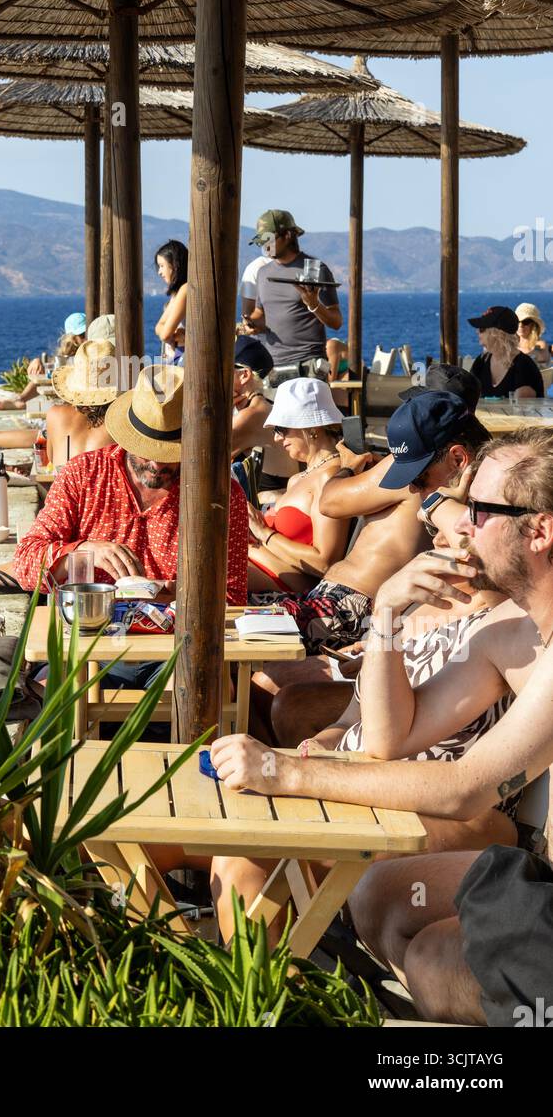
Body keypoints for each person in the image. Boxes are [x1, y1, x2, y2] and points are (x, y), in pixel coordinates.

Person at [208, 427, 553, 1023]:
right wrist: (388, 612)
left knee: (434, 955)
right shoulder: (513, 631)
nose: (461, 525)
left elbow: (466, 787)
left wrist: (286, 770)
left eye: (480, 511)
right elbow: (392, 736)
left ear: (539, 531)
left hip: (516, 860)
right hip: (527, 872)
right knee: (385, 904)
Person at [210, 507, 517, 946]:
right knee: (232, 839)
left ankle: (267, 998)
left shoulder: (503, 627)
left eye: (450, 535)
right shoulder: (419, 612)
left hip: (438, 806)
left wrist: (307, 770)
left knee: (245, 854)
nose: (434, 545)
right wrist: (319, 744)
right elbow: (351, 720)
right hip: (359, 781)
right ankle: (265, 992)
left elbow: (394, 747)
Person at [248, 393, 490, 736]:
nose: (415, 494)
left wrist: (439, 505)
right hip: (395, 640)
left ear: (458, 459)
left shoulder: (489, 512)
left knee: (281, 697)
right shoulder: (458, 510)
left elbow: (482, 593)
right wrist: (381, 640)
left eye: (418, 481)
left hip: (434, 670)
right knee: (263, 685)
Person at [12, 365, 250, 602]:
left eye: (171, 453)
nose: (157, 465)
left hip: (176, 637)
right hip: (93, 632)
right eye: (147, 451)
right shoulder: (83, 474)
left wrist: (167, 596)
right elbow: (25, 565)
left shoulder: (222, 495)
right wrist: (83, 552)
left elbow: (233, 595)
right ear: (129, 437)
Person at [0, 341, 120, 595]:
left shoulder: (57, 415)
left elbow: (50, 462)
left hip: (66, 523)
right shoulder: (123, 429)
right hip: (101, 528)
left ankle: (30, 568)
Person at [246, 378, 350, 597]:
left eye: (282, 429)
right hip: (263, 569)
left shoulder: (330, 477)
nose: (276, 438)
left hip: (288, 589)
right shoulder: (297, 479)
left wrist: (264, 532)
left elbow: (325, 563)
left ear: (312, 428)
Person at [242, 209, 342, 377]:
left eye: (268, 239)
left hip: (308, 367)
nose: (265, 246)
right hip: (272, 368)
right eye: (261, 242)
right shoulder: (263, 273)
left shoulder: (315, 270)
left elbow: (336, 321)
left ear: (288, 235)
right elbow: (261, 313)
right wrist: (251, 323)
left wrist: (314, 305)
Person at [469, 304, 544, 399]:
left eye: (482, 329)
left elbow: (521, 410)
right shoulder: (481, 361)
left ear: (497, 334)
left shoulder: (523, 366)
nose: (477, 332)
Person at [153, 241, 188, 363]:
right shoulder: (177, 293)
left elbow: (164, 334)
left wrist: (170, 335)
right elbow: (159, 326)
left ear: (174, 265)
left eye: (162, 266)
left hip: (183, 358)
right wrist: (176, 336)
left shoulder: (185, 289)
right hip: (177, 356)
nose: (159, 272)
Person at [516, 301, 551, 367]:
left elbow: (543, 357)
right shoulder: (511, 344)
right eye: (518, 321)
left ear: (533, 325)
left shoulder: (540, 344)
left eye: (525, 322)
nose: (520, 325)